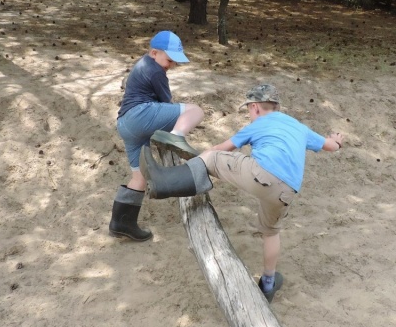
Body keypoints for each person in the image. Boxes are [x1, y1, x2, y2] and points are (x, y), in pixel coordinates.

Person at [139, 84, 343, 302]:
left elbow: (222, 149)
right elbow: (331, 146)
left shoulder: (259, 123)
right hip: (286, 191)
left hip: (261, 175)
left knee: (212, 158)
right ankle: (268, 283)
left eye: (248, 110)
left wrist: (199, 160)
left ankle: (165, 181)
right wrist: (337, 141)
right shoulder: (298, 126)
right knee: (271, 232)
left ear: (255, 107)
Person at [109, 30, 204, 242]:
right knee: (196, 110)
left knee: (139, 176)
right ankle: (176, 137)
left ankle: (121, 223)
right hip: (139, 116)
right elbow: (166, 103)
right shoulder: (156, 72)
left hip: (125, 124)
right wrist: (177, 127)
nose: (172, 65)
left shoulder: (143, 64)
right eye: (170, 60)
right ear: (154, 53)